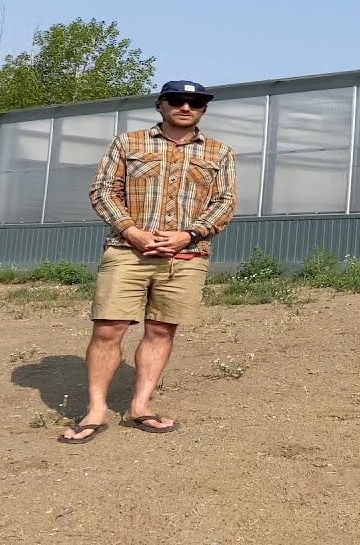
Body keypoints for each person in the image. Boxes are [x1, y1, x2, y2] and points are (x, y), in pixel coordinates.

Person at [59, 80, 237, 444]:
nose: (186, 107)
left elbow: (225, 201)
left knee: (161, 330)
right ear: (160, 105)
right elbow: (104, 191)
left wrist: (187, 235)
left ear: (203, 109)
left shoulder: (219, 152)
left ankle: (140, 406)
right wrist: (132, 232)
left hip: (186, 256)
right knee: (109, 328)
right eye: (177, 100)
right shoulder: (128, 143)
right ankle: (95, 411)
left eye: (196, 102)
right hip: (128, 251)